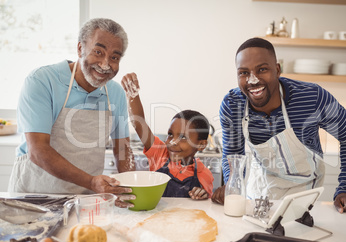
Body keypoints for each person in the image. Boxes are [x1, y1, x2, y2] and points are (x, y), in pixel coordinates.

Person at [211, 37, 346, 213]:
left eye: (262, 69)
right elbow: (233, 154)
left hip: (305, 190)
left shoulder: (312, 98)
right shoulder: (233, 105)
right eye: (244, 72)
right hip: (260, 188)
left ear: (277, 70)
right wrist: (233, 188)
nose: (252, 80)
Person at [8, 18, 135, 208]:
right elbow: (38, 151)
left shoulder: (115, 93)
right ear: (80, 49)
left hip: (86, 201)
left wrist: (132, 188)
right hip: (34, 198)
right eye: (98, 52)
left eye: (114, 57)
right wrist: (92, 182)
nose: (105, 64)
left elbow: (123, 150)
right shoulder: (42, 81)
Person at [121, 73, 214, 200]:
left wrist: (202, 194)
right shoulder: (160, 154)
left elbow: (207, 203)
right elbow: (138, 123)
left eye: (183, 137)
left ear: (201, 144)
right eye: (170, 135)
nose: (173, 142)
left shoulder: (204, 174)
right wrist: (132, 94)